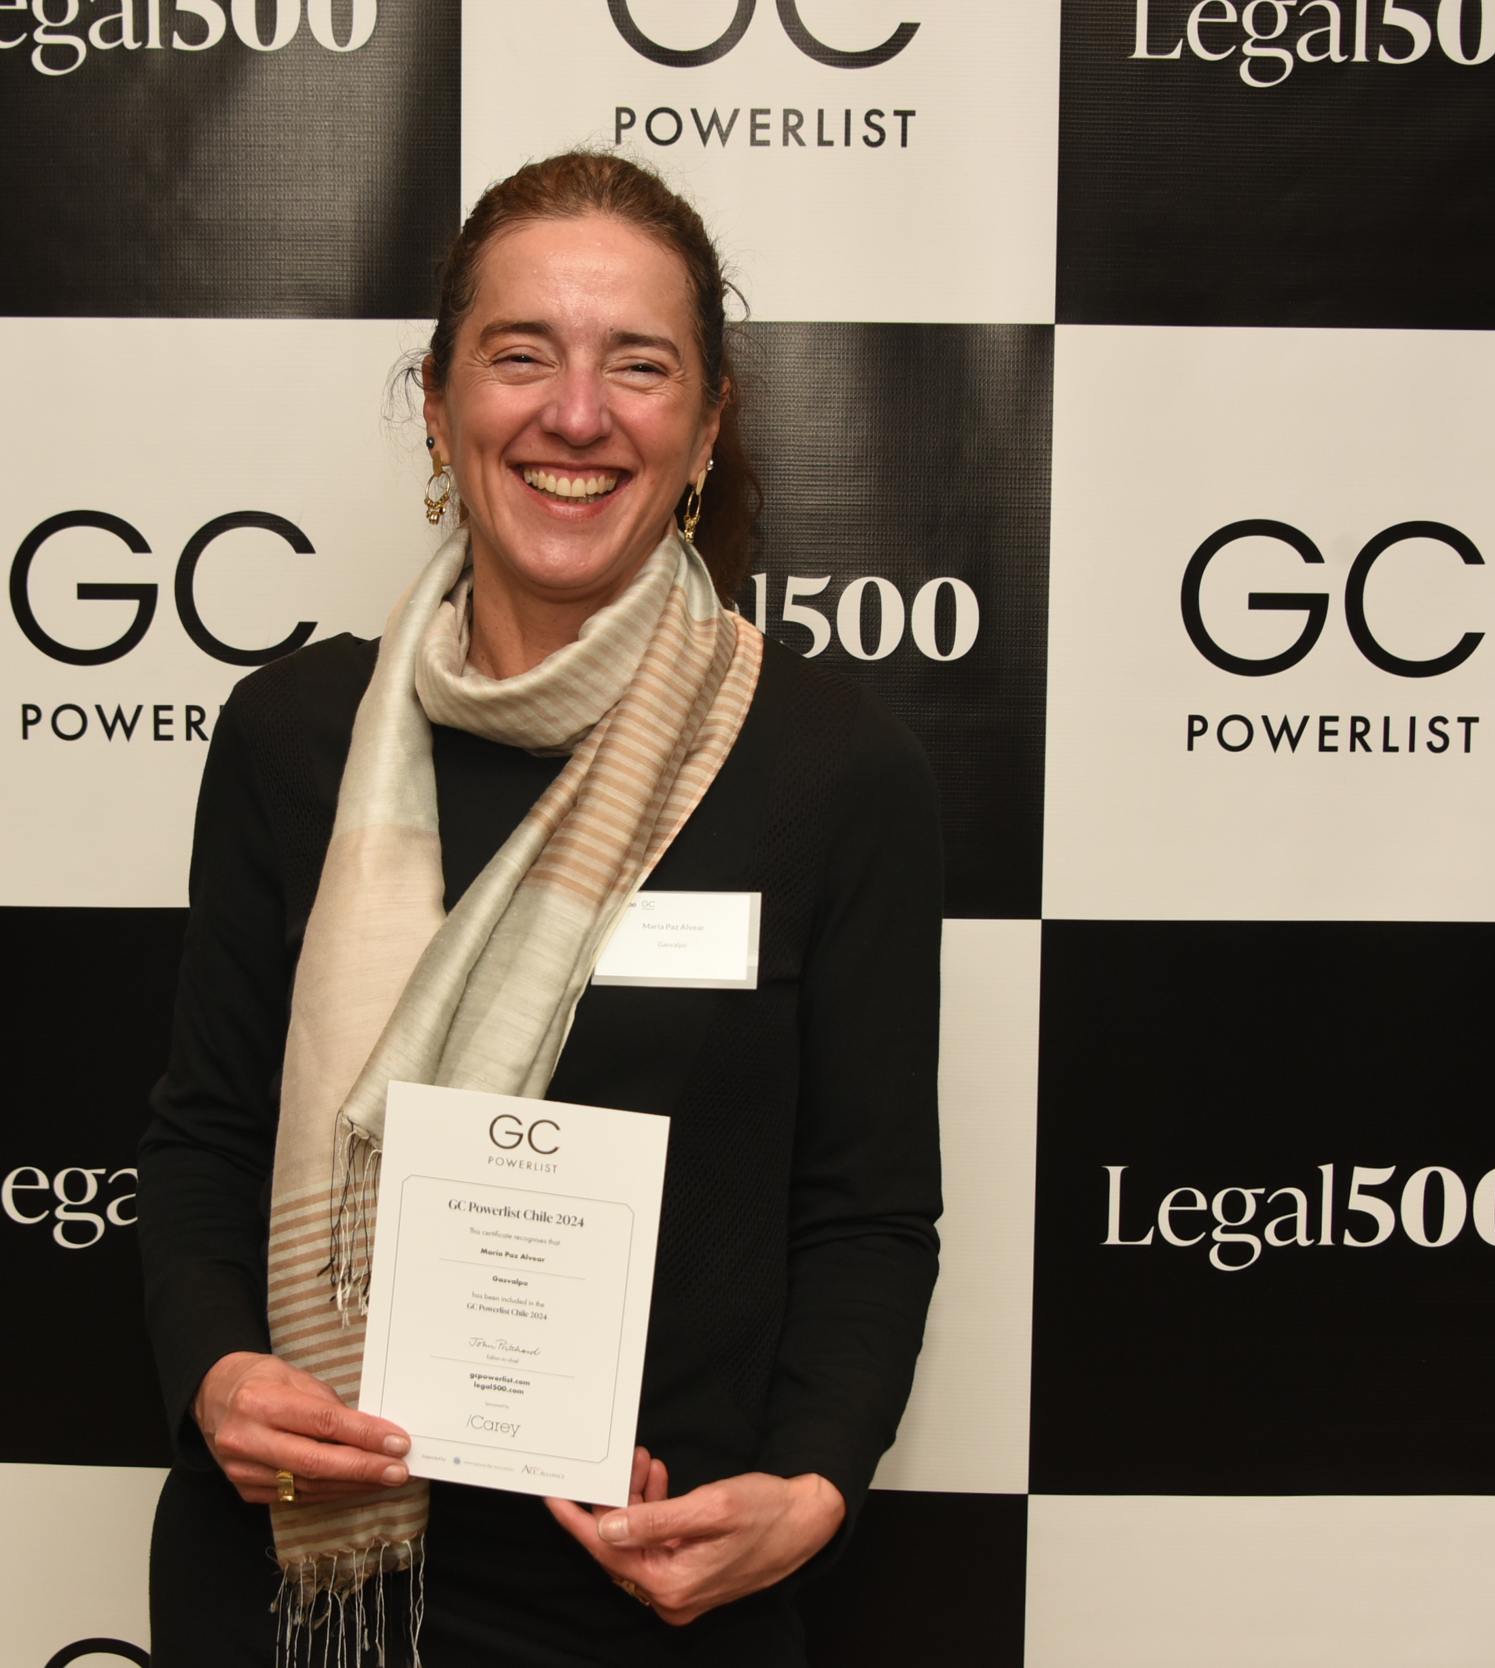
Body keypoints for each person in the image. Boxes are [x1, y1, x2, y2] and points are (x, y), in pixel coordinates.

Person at [139, 150, 942, 1668]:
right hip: (302, 1585)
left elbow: (869, 1211)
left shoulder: (836, 773)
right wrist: (219, 1373)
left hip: (657, 1599)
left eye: (639, 364)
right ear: (438, 408)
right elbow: (205, 1139)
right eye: (521, 355)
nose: (577, 415)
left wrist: (810, 1491)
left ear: (707, 425)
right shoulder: (293, 741)